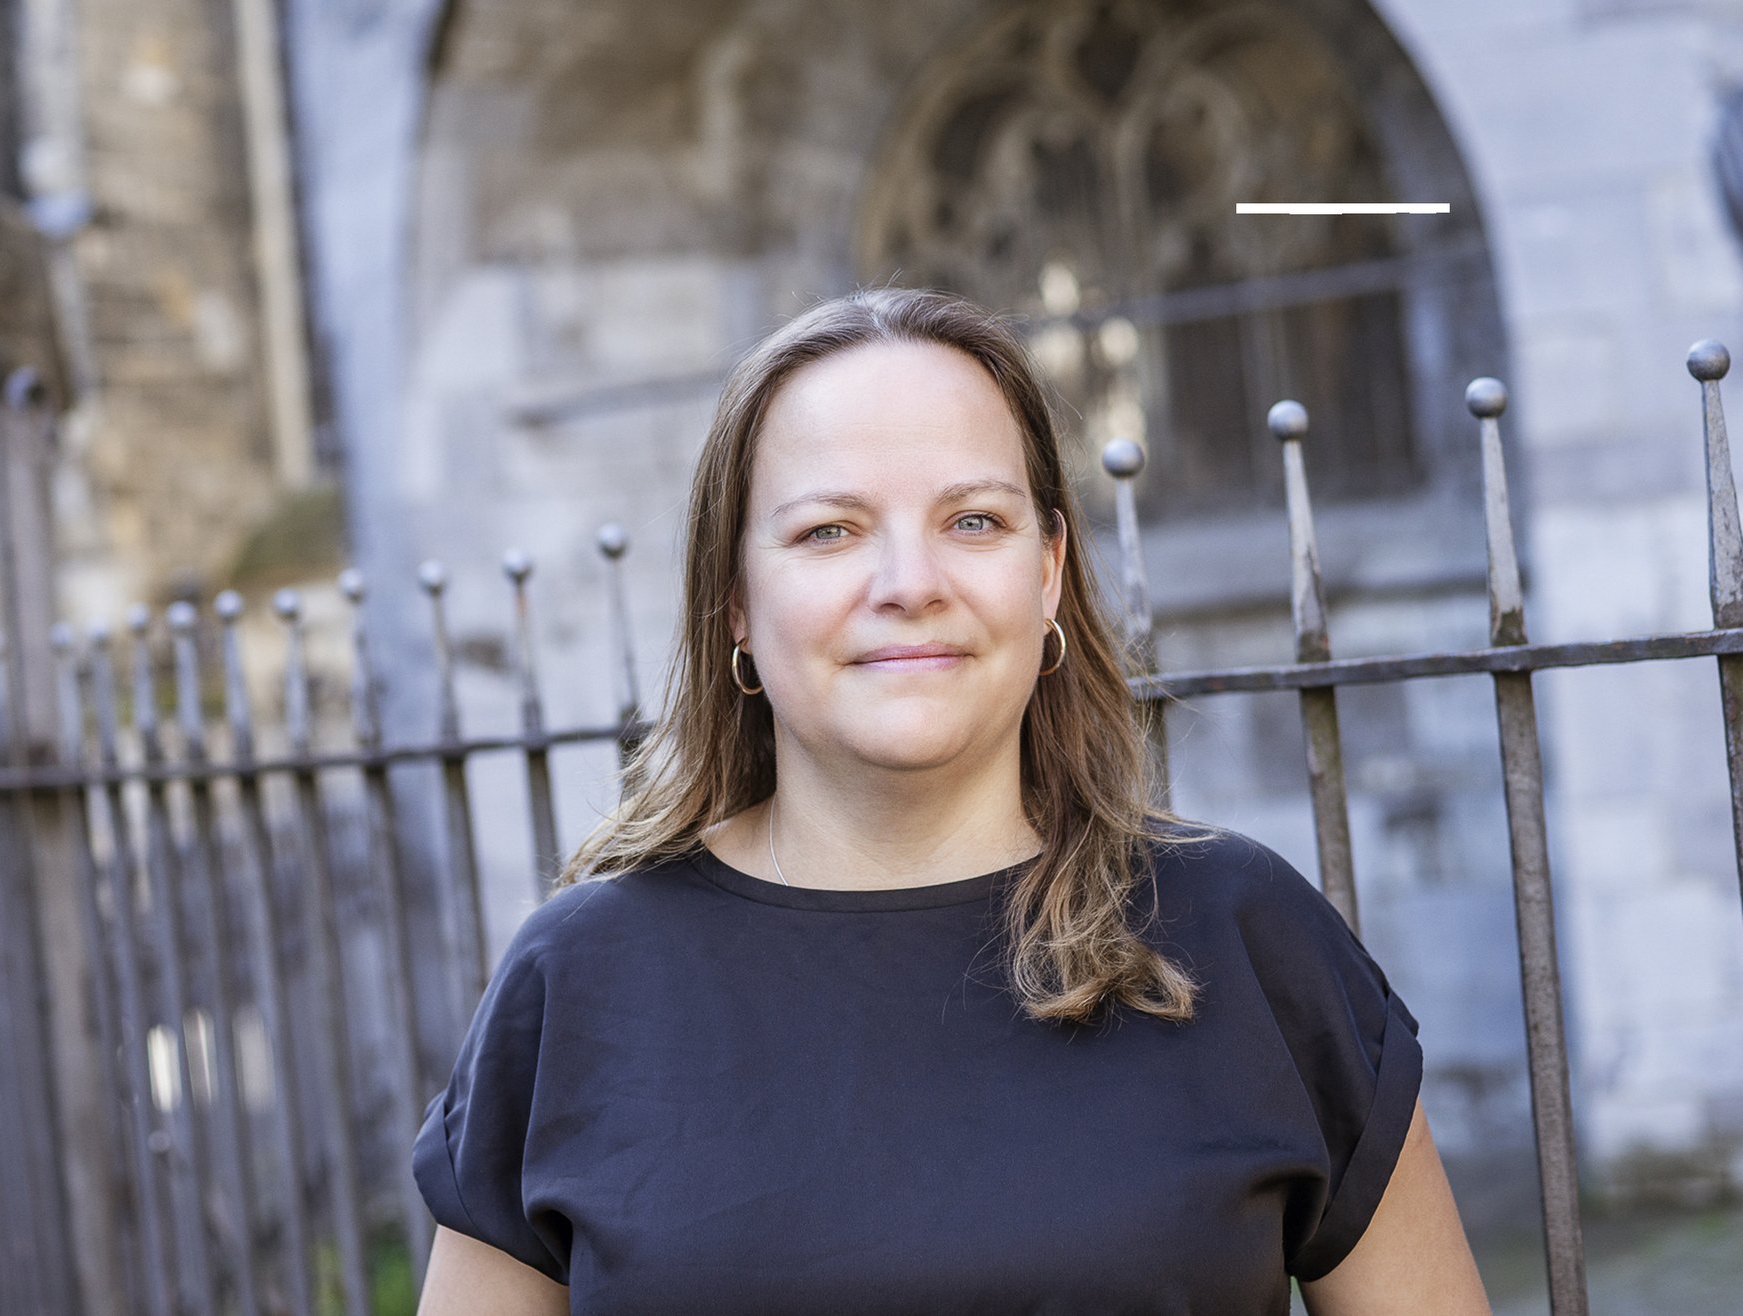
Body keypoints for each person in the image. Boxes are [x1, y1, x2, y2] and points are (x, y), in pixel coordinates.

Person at [412, 288, 1490, 1314]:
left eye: (972, 521)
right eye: (828, 530)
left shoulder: (1242, 933)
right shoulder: (581, 980)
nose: (910, 583)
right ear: (734, 599)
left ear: (1048, 570)